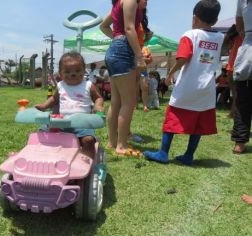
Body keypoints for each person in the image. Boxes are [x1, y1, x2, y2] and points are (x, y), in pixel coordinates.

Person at [144, 0, 224, 165]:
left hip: (188, 86)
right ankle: (188, 155)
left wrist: (169, 74)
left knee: (172, 116)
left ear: (194, 18)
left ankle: (163, 153)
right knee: (199, 122)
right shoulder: (220, 38)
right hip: (207, 88)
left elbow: (183, 58)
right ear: (215, 20)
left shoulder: (190, 35)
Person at [35, 51, 104, 159]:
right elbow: (54, 99)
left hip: (82, 124)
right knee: (42, 132)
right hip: (62, 122)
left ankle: (88, 164)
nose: (73, 74)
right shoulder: (60, 85)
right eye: (67, 71)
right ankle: (46, 157)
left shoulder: (88, 85)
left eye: (77, 71)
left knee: (88, 141)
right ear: (61, 74)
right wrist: (44, 106)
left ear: (83, 70)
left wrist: (98, 105)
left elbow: (98, 97)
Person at [100, 0, 146, 156]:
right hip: (123, 51)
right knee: (129, 101)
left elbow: (103, 26)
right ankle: (121, 145)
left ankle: (112, 142)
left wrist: (116, 37)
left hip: (114, 51)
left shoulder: (118, 3)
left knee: (116, 101)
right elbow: (129, 28)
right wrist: (140, 57)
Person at [231, 0, 252, 154]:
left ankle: (240, 141)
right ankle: (240, 140)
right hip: (249, 44)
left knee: (243, 97)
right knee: (243, 95)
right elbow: (239, 25)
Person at [224, 24, 243, 118]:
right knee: (240, 94)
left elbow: (229, 51)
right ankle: (234, 113)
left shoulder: (231, 39)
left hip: (231, 67)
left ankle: (232, 113)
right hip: (241, 67)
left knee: (235, 93)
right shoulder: (244, 37)